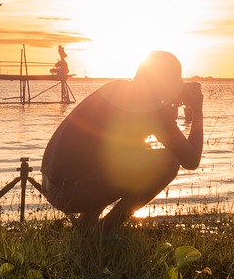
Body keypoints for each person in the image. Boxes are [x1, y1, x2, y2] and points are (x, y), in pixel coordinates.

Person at [40, 51, 203, 233]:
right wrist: (197, 110)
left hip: (51, 184)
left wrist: (168, 108)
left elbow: (114, 144)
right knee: (169, 163)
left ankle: (87, 227)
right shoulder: (152, 109)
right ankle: (106, 230)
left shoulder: (117, 88)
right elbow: (191, 160)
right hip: (70, 192)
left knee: (132, 150)